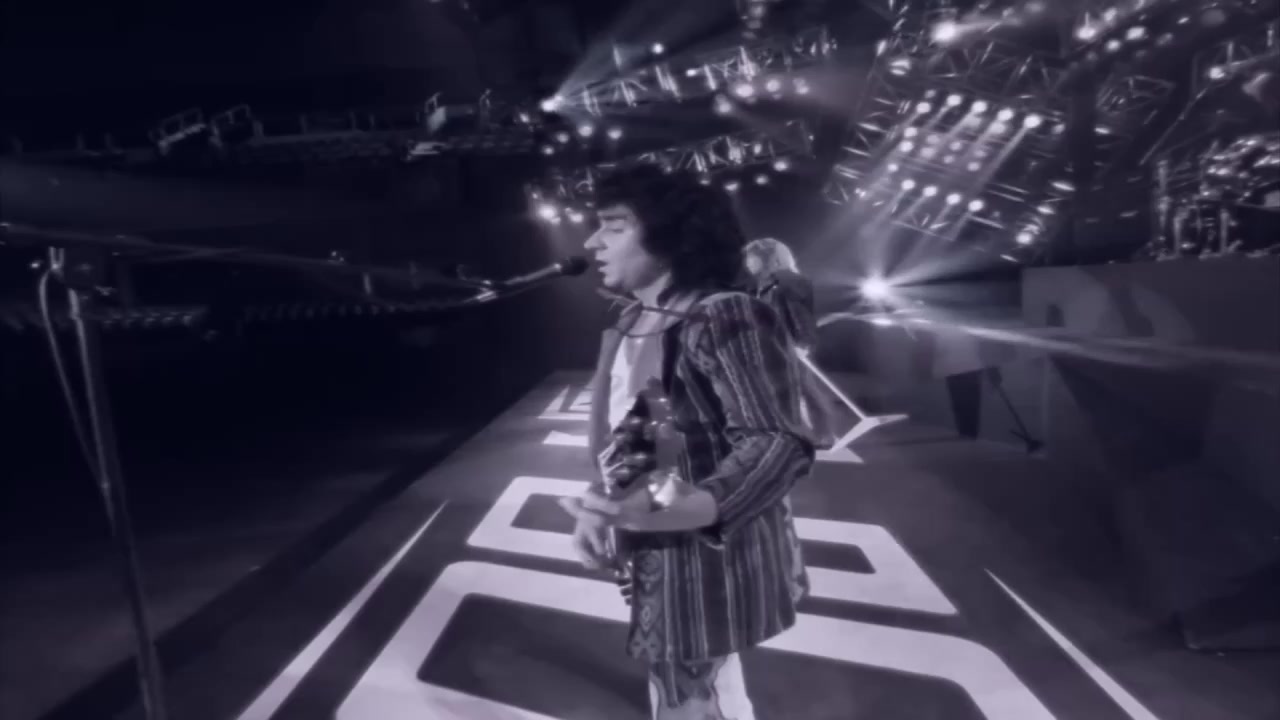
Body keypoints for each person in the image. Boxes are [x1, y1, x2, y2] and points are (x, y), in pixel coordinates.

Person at [559, 165, 813, 719]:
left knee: (693, 695)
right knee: (687, 687)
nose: (592, 242)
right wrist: (603, 505)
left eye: (614, 226)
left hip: (705, 558)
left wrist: (698, 506)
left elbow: (776, 439)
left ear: (672, 234)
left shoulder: (721, 313)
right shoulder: (638, 320)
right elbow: (643, 426)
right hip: (659, 544)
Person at [742, 237, 839, 448]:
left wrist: (803, 343)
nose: (747, 263)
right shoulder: (764, 284)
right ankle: (810, 434)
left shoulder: (786, 282)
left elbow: (800, 314)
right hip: (774, 345)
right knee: (790, 390)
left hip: (789, 344)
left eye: (751, 258)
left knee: (803, 390)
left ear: (767, 258)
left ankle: (823, 435)